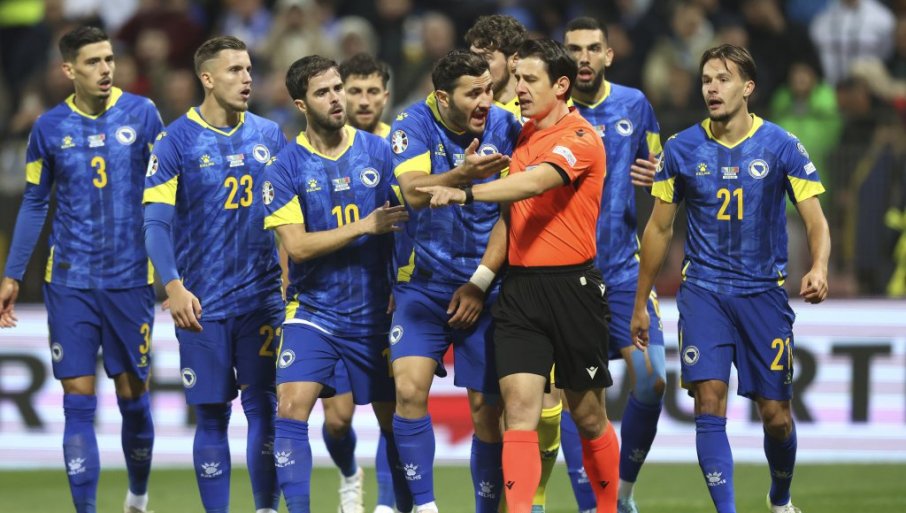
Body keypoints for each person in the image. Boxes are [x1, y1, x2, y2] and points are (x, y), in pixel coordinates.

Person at [419, 38, 620, 513]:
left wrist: (467, 192)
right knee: (519, 412)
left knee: (589, 415)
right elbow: (514, 214)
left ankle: (609, 507)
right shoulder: (523, 137)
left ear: (561, 85)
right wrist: (484, 278)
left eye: (530, 80)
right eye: (517, 79)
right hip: (520, 291)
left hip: (573, 289)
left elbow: (535, 183)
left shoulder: (580, 137)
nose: (520, 89)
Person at [630, 44, 830, 513]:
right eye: (706, 80)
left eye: (723, 79)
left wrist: (819, 266)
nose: (712, 88)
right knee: (709, 401)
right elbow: (658, 228)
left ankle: (780, 499)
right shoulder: (681, 148)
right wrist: (641, 301)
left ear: (748, 88)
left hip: (763, 294)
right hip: (704, 293)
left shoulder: (781, 145)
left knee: (777, 418)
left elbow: (815, 219)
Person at [0, 26, 161, 513]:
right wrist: (12, 274)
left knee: (133, 399)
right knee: (77, 400)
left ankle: (137, 496)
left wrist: (174, 270)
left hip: (130, 278)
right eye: (93, 61)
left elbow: (166, 194)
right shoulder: (48, 128)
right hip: (69, 280)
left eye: (109, 58)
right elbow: (34, 202)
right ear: (68, 70)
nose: (106, 69)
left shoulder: (144, 114)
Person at [263, 54, 413, 513]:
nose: (336, 98)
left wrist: (402, 283)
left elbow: (410, 224)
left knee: (395, 421)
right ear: (301, 104)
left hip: (376, 310)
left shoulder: (379, 153)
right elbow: (297, 246)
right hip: (314, 311)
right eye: (323, 92)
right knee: (292, 408)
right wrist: (365, 225)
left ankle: (391, 506)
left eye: (337, 88)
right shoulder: (284, 167)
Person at [142, 36, 285, 513]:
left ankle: (266, 508)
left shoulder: (270, 135)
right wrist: (174, 285)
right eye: (235, 70)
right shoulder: (175, 141)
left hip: (262, 299)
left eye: (249, 69)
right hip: (201, 304)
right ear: (207, 78)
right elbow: (155, 224)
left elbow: (290, 216)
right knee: (211, 416)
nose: (247, 79)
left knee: (265, 408)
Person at [389, 49, 521, 513]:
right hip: (422, 286)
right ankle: (426, 507)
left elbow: (512, 214)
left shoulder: (507, 126)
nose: (485, 101)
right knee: (408, 390)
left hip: (486, 287)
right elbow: (412, 191)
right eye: (472, 93)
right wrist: (462, 174)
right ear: (443, 97)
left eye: (488, 89)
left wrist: (480, 283)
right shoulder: (412, 123)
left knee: (486, 411)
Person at [563, 17, 665, 513]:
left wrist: (657, 175)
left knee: (652, 379)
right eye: (574, 49)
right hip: (566, 276)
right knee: (577, 399)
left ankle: (622, 491)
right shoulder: (549, 111)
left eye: (592, 48)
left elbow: (661, 175)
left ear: (608, 55)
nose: (583, 57)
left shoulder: (635, 105)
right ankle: (592, 505)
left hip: (623, 271)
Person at [467, 16, 565, 511]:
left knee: (544, 404)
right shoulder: (468, 111)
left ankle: (536, 500)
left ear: (511, 60)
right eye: (474, 54)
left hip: (532, 274)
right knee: (486, 409)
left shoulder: (532, 118)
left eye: (487, 56)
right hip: (471, 273)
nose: (479, 64)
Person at [334, 51, 398, 513]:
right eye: (353, 90)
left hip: (387, 300)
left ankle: (388, 504)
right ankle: (348, 474)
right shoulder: (321, 146)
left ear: (385, 96)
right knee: (337, 420)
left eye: (372, 90)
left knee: (391, 413)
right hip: (330, 300)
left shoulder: (402, 147)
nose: (363, 100)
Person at [465, 14, 527, 116]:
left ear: (515, 60)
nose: (475, 65)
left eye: (486, 57)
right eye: (473, 56)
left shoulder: (541, 107)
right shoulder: (464, 111)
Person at [341, 53, 393, 137]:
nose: (364, 102)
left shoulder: (399, 142)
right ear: (340, 97)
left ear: (385, 98)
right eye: (355, 92)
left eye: (373, 92)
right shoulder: (322, 142)